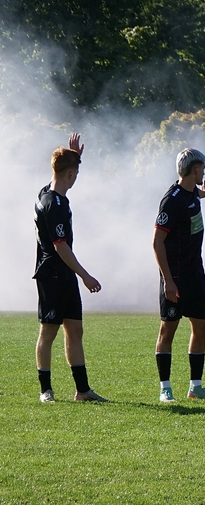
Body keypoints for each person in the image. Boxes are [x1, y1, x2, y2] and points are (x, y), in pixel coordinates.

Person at [33, 133, 106, 402]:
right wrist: (85, 276)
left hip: (64, 274)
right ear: (71, 174)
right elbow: (60, 246)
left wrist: (75, 158)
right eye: (76, 173)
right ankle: (45, 390)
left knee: (74, 330)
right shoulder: (54, 204)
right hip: (52, 274)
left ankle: (82, 391)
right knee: (49, 331)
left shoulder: (47, 191)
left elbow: (63, 170)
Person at [152, 148, 205, 403]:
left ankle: (195, 387)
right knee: (167, 331)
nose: (204, 172)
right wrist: (168, 280)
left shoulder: (192, 192)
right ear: (196, 170)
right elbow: (157, 242)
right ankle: (165, 388)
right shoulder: (171, 200)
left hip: (195, 273)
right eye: (202, 168)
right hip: (176, 277)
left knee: (201, 327)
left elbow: (193, 197)